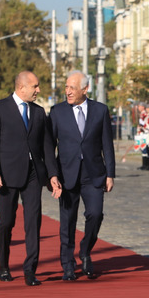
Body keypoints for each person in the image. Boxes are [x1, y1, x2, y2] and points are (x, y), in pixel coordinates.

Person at [0, 71, 61, 286]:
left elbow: (47, 146)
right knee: (6, 222)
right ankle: (4, 266)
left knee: (33, 221)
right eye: (35, 86)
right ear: (22, 87)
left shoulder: (38, 112)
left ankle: (30, 270)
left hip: (34, 174)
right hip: (7, 175)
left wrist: (52, 175)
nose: (38, 90)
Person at [50, 71, 115, 281]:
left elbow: (107, 144)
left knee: (95, 214)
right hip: (66, 175)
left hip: (93, 174)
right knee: (67, 222)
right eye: (66, 87)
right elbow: (50, 147)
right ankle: (68, 265)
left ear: (85, 89)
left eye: (72, 88)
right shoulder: (57, 112)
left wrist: (110, 174)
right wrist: (52, 176)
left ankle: (86, 250)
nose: (67, 92)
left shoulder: (100, 111)